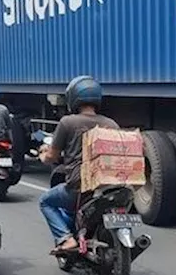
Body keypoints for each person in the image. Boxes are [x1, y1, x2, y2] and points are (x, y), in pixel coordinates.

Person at [38, 76, 118, 253]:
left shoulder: (68, 122)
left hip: (79, 187)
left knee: (45, 201)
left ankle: (65, 239)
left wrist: (43, 156)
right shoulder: (111, 124)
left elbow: (52, 155)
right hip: (110, 185)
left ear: (73, 98)